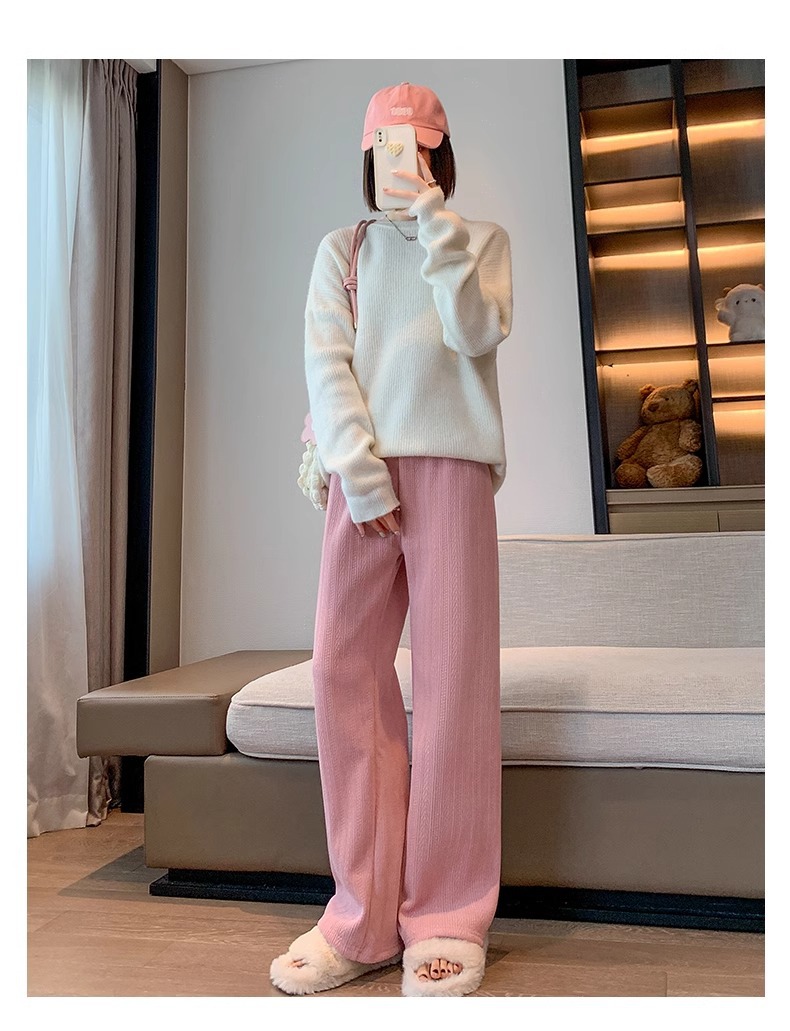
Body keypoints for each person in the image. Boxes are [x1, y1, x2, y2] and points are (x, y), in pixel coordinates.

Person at [270, 81, 513, 998]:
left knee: (455, 687)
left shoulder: (480, 241)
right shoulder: (343, 250)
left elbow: (475, 330)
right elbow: (325, 363)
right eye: (384, 149)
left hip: (455, 470)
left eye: (413, 147)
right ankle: (362, 916)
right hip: (361, 476)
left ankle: (447, 914)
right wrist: (359, 469)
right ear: (367, 157)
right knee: (344, 673)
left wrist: (438, 225)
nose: (397, 164)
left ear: (439, 154)